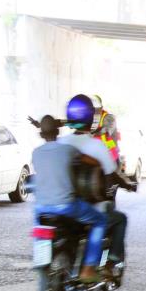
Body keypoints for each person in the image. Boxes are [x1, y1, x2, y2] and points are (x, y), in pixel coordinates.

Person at [32, 114, 109, 283]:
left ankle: (41, 259)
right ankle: (89, 268)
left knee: (38, 228)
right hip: (66, 205)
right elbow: (93, 162)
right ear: (57, 132)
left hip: (41, 208)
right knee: (100, 221)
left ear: (42, 135)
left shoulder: (36, 153)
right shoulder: (67, 150)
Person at [58, 95, 132, 270]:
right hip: (85, 206)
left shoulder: (61, 143)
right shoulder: (96, 145)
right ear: (91, 117)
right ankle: (110, 263)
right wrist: (128, 184)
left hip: (61, 206)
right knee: (119, 219)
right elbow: (112, 173)